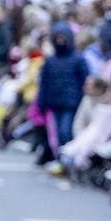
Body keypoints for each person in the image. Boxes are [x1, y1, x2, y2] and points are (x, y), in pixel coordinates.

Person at [37, 22, 89, 153]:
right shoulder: (50, 60)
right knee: (58, 133)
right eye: (58, 38)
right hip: (55, 101)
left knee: (65, 132)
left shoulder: (78, 59)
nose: (60, 41)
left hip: (71, 103)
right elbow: (44, 83)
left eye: (63, 37)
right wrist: (41, 102)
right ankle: (62, 159)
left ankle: (67, 158)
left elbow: (84, 81)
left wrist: (80, 98)